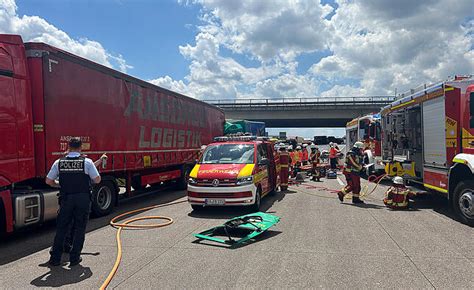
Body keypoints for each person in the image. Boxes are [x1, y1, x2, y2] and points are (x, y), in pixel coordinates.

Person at [46, 138, 104, 266]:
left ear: (68, 146)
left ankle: (55, 259)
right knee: (79, 228)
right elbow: (97, 180)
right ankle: (74, 258)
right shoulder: (87, 162)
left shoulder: (59, 162)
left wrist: (59, 185)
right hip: (82, 199)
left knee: (62, 228)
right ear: (80, 147)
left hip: (66, 199)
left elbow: (48, 181)